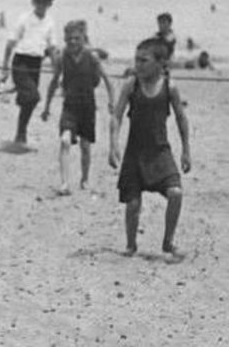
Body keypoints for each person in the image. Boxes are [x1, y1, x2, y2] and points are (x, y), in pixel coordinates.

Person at [109, 37, 191, 262]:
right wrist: (113, 144)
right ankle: (130, 244)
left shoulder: (169, 87)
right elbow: (116, 116)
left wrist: (186, 150)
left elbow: (181, 120)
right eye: (136, 60)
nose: (138, 65)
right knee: (133, 204)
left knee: (175, 193)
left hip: (160, 152)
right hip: (135, 153)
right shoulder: (131, 85)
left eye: (143, 60)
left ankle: (168, 241)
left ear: (160, 63)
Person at [41, 20, 114, 194]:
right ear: (65, 39)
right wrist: (46, 106)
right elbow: (53, 82)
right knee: (65, 140)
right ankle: (64, 183)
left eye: (77, 38)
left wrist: (112, 101)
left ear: (83, 38)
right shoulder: (62, 57)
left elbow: (107, 80)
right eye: (69, 38)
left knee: (85, 146)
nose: (73, 42)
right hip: (70, 106)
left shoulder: (92, 56)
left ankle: (85, 179)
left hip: (88, 106)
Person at [2, 0, 57, 146]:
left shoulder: (50, 22)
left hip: (36, 63)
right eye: (38, 2)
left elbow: (52, 47)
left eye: (45, 3)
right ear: (33, 3)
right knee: (34, 97)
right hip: (21, 61)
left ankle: (20, 133)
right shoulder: (24, 18)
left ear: (49, 4)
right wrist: (5, 66)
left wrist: (55, 69)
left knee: (28, 101)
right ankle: (21, 132)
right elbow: (11, 42)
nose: (41, 5)